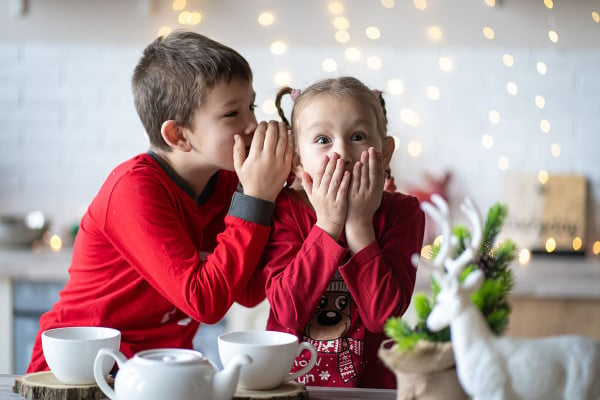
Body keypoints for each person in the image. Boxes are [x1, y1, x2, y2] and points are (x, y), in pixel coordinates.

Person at [27, 30, 293, 372]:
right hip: (79, 369)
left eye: (251, 106)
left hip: (156, 368)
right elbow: (205, 302)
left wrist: (286, 200)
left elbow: (249, 290)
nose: (253, 124)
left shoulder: (229, 185)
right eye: (232, 114)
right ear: (178, 135)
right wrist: (256, 199)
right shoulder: (133, 189)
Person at [261, 76, 425, 388]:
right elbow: (288, 312)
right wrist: (327, 225)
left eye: (358, 136)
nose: (343, 153)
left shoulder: (404, 213)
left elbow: (384, 318)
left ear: (385, 152)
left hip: (372, 392)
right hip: (288, 388)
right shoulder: (285, 209)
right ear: (297, 159)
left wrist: (360, 225)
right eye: (323, 140)